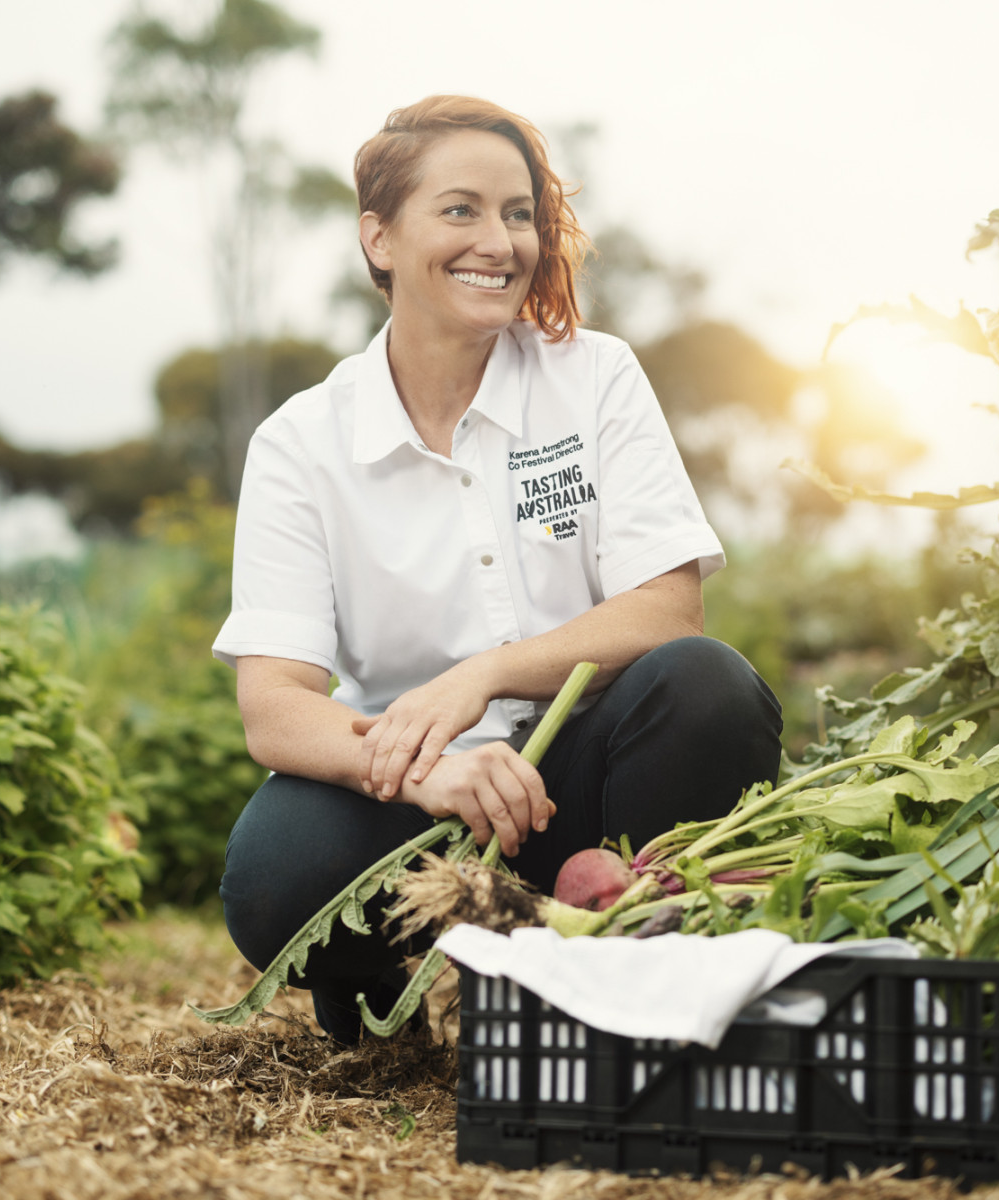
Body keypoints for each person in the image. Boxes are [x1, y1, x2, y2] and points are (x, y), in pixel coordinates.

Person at [213, 95, 783, 1044]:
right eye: (461, 209)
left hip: (584, 790)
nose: (501, 240)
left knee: (706, 688)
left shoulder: (595, 377)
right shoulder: (299, 444)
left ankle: (620, 967)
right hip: (412, 800)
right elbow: (275, 705)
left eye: (520, 213)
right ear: (381, 237)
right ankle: (384, 979)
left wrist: (479, 676)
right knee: (276, 876)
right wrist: (423, 769)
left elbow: (668, 608)